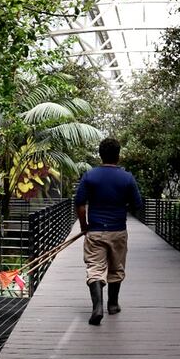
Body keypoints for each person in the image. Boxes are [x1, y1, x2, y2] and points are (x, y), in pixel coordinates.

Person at [74, 138, 143, 326]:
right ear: (118, 156)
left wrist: (84, 226)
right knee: (116, 267)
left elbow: (80, 204)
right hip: (118, 230)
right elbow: (138, 205)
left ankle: (97, 307)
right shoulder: (127, 177)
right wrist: (122, 206)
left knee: (95, 269)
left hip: (95, 231)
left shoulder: (90, 176)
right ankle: (112, 305)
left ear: (100, 155)